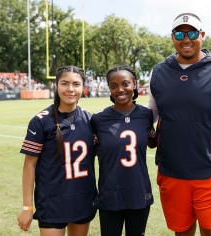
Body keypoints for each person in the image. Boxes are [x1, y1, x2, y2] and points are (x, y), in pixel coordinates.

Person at [148, 12, 211, 235]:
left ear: (202, 35)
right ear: (172, 37)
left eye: (192, 32)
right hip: (171, 170)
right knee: (181, 231)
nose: (186, 38)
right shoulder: (158, 72)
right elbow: (152, 114)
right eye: (180, 33)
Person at [17, 66, 97, 236]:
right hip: (52, 200)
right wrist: (27, 207)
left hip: (82, 198)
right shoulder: (41, 121)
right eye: (64, 83)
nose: (70, 89)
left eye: (76, 84)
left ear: (83, 87)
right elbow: (29, 165)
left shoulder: (90, 120)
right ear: (56, 86)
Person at [90, 65, 156, 236]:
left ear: (135, 84)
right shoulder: (98, 119)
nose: (120, 89)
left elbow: (152, 143)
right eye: (114, 85)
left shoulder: (146, 115)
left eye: (125, 84)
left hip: (139, 191)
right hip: (110, 193)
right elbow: (93, 151)